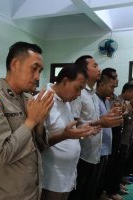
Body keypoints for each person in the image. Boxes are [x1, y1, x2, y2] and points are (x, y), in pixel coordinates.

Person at [0, 41, 54, 200]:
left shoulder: (28, 98)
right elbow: (2, 155)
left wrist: (39, 123)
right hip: (5, 194)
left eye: (40, 70)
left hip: (30, 190)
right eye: (34, 68)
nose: (37, 77)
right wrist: (31, 121)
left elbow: (40, 147)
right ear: (15, 64)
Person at [68, 55, 123, 200]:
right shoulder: (79, 93)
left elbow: (96, 120)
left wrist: (107, 117)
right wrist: (101, 122)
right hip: (82, 154)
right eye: (94, 66)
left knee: (89, 192)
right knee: (78, 193)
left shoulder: (92, 93)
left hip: (94, 152)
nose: (99, 69)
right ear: (83, 69)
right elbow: (72, 126)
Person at [40, 64, 98, 200]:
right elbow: (37, 143)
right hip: (50, 178)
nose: (78, 95)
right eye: (78, 89)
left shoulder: (64, 100)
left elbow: (65, 129)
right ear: (65, 81)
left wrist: (80, 131)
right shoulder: (43, 100)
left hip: (67, 174)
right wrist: (66, 135)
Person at [94, 74, 117, 199]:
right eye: (111, 87)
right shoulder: (94, 99)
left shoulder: (106, 101)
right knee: (92, 182)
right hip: (97, 147)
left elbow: (107, 119)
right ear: (101, 84)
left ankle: (99, 194)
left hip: (106, 146)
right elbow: (95, 121)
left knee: (100, 178)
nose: (113, 90)